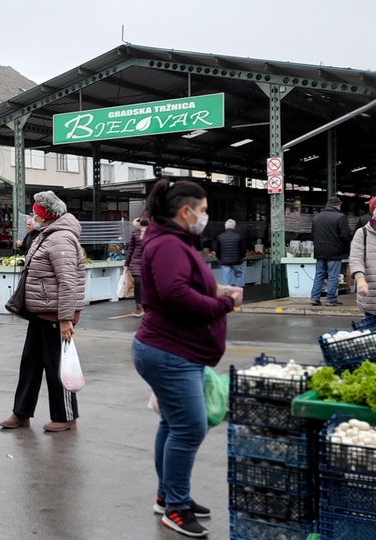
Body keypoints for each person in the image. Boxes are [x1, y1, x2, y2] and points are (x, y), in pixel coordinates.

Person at [132, 180, 242, 538]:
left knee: (172, 423)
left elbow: (181, 286)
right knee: (189, 427)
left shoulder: (173, 241)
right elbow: (175, 294)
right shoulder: (167, 244)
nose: (204, 217)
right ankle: (175, 509)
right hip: (169, 350)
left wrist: (214, 289)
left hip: (175, 348)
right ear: (186, 211)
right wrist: (222, 303)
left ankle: (168, 496)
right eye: (204, 210)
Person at [0, 190, 86, 433]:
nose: (32, 217)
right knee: (30, 364)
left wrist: (66, 319)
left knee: (58, 366)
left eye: (35, 214)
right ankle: (21, 413)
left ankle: (66, 416)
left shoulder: (61, 239)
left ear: (46, 217)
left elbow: (68, 281)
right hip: (40, 312)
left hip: (55, 315)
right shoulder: (45, 235)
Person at [310, 197, 353, 307]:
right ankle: (331, 299)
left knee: (319, 274)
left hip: (319, 251)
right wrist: (348, 249)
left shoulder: (317, 217)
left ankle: (315, 298)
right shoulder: (340, 217)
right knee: (333, 276)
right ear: (338, 205)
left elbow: (312, 233)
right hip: (335, 252)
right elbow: (346, 235)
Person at [215, 219, 247, 288]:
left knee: (226, 279)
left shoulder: (220, 236)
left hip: (225, 261)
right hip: (237, 261)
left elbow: (217, 250)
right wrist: (241, 257)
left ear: (225, 226)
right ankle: (237, 292)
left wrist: (220, 258)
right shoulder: (239, 236)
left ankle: (227, 295)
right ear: (234, 227)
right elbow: (243, 250)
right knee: (238, 275)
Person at [125, 216, 146, 317]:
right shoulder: (135, 233)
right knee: (138, 282)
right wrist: (127, 263)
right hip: (136, 262)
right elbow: (131, 248)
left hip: (149, 262)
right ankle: (138, 307)